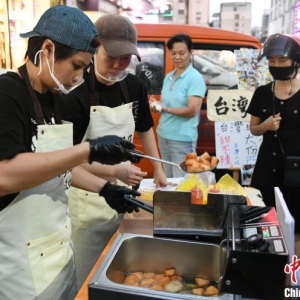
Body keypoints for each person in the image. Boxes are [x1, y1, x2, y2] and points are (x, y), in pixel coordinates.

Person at [0, 5, 142, 300]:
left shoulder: (54, 99)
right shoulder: (7, 94)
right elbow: (6, 174)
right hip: (19, 265)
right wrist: (87, 150)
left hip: (58, 249)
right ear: (48, 49)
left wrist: (104, 189)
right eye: (77, 66)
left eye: (84, 69)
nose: (79, 76)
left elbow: (55, 166)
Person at [63, 14, 172, 288]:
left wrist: (158, 169)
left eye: (125, 58)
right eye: (111, 55)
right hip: (86, 199)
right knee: (88, 275)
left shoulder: (133, 86)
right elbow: (66, 160)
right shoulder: (74, 92)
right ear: (94, 48)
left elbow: (145, 127)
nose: (116, 65)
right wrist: (113, 170)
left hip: (123, 198)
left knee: (119, 270)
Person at [247, 33, 300, 237]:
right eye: (271, 60)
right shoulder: (262, 93)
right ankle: (271, 263)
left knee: (296, 224)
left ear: (295, 61)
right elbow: (253, 128)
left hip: (296, 170)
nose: (276, 65)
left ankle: (293, 266)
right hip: (267, 167)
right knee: (265, 221)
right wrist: (265, 126)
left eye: (282, 60)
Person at [150, 34, 206, 178]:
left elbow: (192, 110)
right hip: (163, 134)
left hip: (182, 139)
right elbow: (165, 105)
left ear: (190, 53)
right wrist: (155, 105)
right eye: (173, 53)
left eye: (182, 53)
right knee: (167, 179)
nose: (177, 57)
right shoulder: (169, 77)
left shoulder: (194, 78)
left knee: (183, 182)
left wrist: (164, 109)